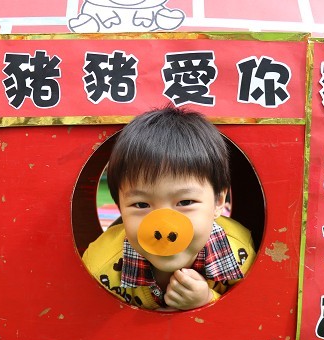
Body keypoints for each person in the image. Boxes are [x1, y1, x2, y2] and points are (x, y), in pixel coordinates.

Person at [82, 107, 256, 311]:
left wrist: (208, 300)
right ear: (120, 207)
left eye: (185, 202)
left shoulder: (239, 254)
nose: (164, 227)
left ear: (218, 202)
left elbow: (251, 312)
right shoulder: (99, 267)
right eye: (141, 205)